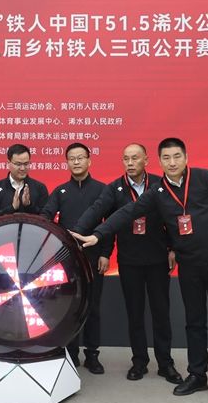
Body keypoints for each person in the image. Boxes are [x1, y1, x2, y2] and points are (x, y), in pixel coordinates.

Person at [72, 138, 208, 403]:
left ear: (186, 157)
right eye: (167, 158)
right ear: (160, 161)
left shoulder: (206, 178)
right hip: (188, 264)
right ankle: (197, 375)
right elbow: (127, 212)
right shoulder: (158, 191)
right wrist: (96, 235)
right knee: (194, 322)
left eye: (177, 156)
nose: (172, 162)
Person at [75, 143, 183, 385]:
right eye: (126, 159)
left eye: (135, 158)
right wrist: (77, 231)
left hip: (157, 259)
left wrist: (173, 248)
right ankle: (139, 361)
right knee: (135, 314)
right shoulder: (115, 188)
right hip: (129, 260)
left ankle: (165, 364)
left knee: (161, 313)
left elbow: (172, 218)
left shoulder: (159, 184)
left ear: (146, 160)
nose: (130, 163)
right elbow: (97, 210)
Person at [40, 142, 107, 373]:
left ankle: (92, 355)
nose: (76, 162)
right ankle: (71, 353)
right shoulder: (60, 191)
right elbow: (46, 216)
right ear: (67, 162)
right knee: (69, 307)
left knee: (93, 307)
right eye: (71, 158)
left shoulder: (102, 190)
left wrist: (105, 254)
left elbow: (109, 225)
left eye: (80, 157)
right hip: (66, 260)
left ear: (89, 160)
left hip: (93, 258)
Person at [0, 143, 49, 217]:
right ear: (8, 163)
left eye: (26, 164)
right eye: (18, 164)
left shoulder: (39, 188)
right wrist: (12, 208)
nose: (22, 168)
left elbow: (45, 217)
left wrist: (28, 205)